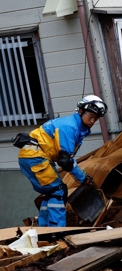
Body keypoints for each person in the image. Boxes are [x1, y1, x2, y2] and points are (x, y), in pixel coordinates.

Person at [17, 95, 106, 227]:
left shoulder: (74, 126)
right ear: (80, 111)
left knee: (50, 193)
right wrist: (83, 179)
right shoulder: (70, 127)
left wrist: (83, 178)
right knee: (58, 191)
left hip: (31, 155)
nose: (93, 121)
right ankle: (56, 232)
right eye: (90, 116)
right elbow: (65, 161)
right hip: (36, 156)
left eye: (96, 118)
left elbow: (66, 158)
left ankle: (44, 230)